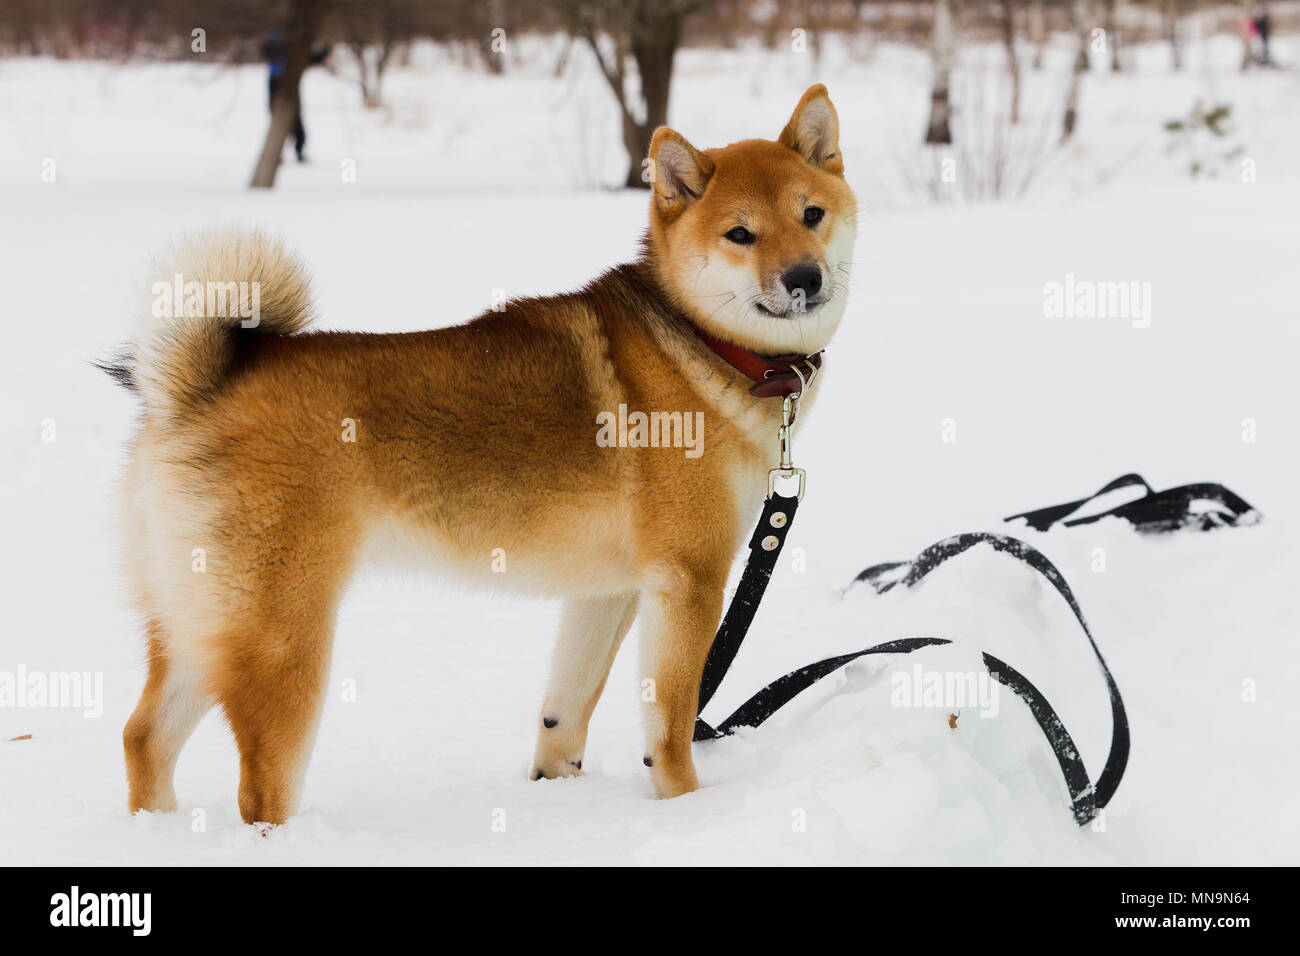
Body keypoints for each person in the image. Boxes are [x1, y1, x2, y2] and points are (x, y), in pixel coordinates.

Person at [262, 30, 332, 163]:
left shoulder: (291, 46)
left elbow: (308, 58)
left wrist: (324, 53)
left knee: (293, 120)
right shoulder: (280, 45)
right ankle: (281, 153)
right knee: (283, 120)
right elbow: (309, 58)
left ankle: (295, 151)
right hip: (279, 84)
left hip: (287, 84)